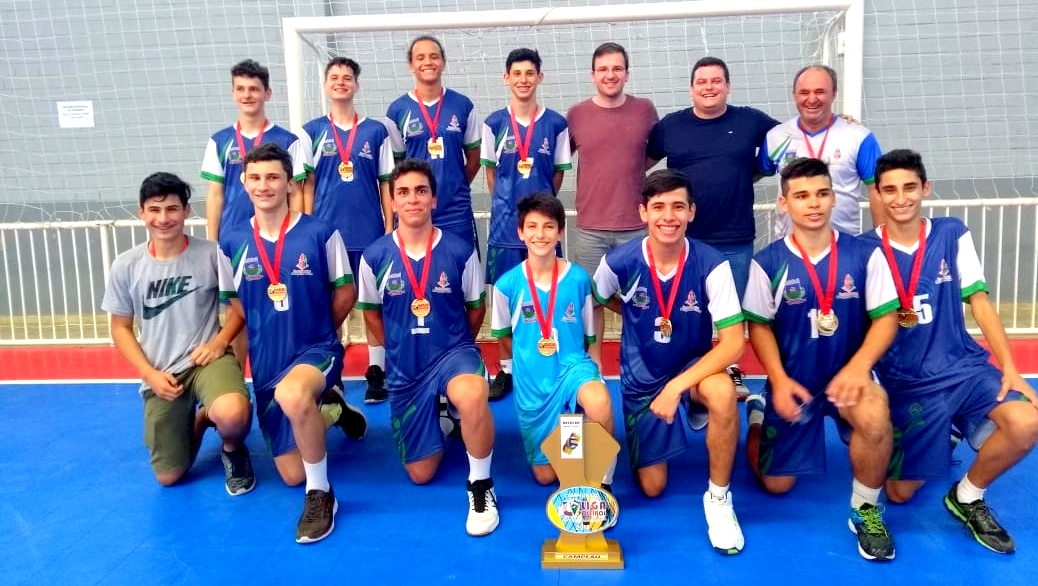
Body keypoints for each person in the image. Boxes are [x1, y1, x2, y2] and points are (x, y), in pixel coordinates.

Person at [861, 149, 1038, 554]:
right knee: (901, 493)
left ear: (926, 188)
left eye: (909, 187)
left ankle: (968, 496)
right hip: (906, 381)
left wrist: (1010, 368)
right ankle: (948, 431)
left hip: (962, 367)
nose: (900, 198)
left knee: (1026, 421)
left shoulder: (951, 233)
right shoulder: (864, 250)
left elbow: (979, 300)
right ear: (878, 196)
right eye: (889, 190)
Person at [742, 157, 899, 561]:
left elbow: (885, 321)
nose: (813, 204)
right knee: (776, 485)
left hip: (849, 376)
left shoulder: (866, 254)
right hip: (796, 382)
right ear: (784, 204)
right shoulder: (768, 262)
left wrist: (858, 368)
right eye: (802, 196)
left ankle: (865, 509)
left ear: (834, 199)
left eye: (822, 193)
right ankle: (758, 417)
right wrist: (777, 379)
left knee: (875, 413)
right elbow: (758, 327)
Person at [219, 143, 367, 544]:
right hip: (268, 361)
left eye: (273, 177)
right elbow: (237, 304)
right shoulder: (230, 243)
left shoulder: (320, 233)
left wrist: (319, 331)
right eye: (255, 178)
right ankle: (333, 408)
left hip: (315, 350)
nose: (264, 185)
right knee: (289, 473)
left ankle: (321, 495)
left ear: (288, 183)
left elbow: (346, 292)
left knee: (295, 394)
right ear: (244, 183)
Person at [592, 169, 745, 554]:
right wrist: (629, 314)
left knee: (723, 393)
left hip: (692, 368)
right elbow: (596, 298)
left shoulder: (712, 263)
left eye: (678, 206)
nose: (668, 216)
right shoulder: (619, 262)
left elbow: (732, 345)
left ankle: (719, 499)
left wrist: (677, 386)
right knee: (652, 487)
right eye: (658, 207)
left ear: (691, 212)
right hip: (643, 375)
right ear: (642, 212)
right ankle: (681, 413)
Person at [356, 158, 500, 536]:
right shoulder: (374, 257)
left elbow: (475, 308)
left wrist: (454, 345)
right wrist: (399, 350)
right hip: (407, 366)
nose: (413, 199)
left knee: (471, 394)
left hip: (453, 353)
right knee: (421, 475)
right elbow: (371, 316)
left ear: (434, 199)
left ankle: (481, 483)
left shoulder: (459, 251)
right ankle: (441, 416)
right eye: (403, 192)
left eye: (421, 191)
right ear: (392, 201)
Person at [101, 172, 255, 495]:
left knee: (233, 414)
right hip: (161, 372)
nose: (163, 218)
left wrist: (219, 342)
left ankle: (231, 449)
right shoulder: (126, 266)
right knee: (169, 477)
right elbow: (120, 328)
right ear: (141, 212)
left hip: (207, 360)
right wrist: (149, 374)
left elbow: (241, 310)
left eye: (172, 209)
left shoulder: (212, 255)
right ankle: (200, 420)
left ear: (186, 211)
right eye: (155, 210)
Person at [646, 56, 779, 395]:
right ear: (691, 89)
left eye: (716, 81)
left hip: (734, 237)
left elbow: (794, 135)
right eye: (702, 82)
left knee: (729, 314)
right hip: (684, 239)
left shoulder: (751, 121)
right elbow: (639, 160)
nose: (709, 87)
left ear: (727, 86)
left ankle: (728, 370)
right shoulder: (671, 127)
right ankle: (688, 371)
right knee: (688, 309)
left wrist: (839, 122)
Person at [490, 193, 616, 486]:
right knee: (547, 477)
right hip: (533, 384)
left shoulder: (579, 279)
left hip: (572, 369)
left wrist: (595, 368)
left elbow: (590, 331)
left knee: (598, 400)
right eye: (532, 226)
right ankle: (574, 431)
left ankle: (602, 482)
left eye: (548, 226)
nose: (540, 234)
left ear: (560, 233)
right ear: (521, 233)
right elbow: (505, 338)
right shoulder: (506, 285)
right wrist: (516, 371)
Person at [300, 56, 395, 405]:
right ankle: (331, 371)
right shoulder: (310, 132)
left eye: (347, 78)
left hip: (368, 231)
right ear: (325, 85)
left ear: (356, 85)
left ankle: (376, 371)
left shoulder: (375, 132)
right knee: (329, 306)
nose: (341, 82)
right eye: (334, 77)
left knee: (373, 304)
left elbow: (386, 184)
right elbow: (305, 185)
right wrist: (305, 230)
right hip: (326, 236)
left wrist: (388, 226)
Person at [481, 47, 572, 401]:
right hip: (507, 229)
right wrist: (509, 205)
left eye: (529, 73)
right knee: (505, 300)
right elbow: (491, 175)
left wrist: (541, 209)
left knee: (551, 297)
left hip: (543, 231)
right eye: (516, 73)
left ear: (539, 77)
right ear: (507, 78)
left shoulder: (556, 124)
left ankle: (550, 362)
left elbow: (558, 176)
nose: (523, 79)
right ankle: (505, 368)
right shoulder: (493, 124)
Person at [566, 42, 659, 366]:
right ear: (592, 75)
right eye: (603, 69)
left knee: (640, 301)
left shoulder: (645, 110)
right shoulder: (576, 114)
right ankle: (592, 369)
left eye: (617, 68)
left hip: (635, 227)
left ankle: (643, 364)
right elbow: (564, 161)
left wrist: (626, 172)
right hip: (590, 228)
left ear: (627, 73)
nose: (610, 75)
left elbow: (650, 155)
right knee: (591, 302)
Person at [761, 65, 883, 236]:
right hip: (789, 249)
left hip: (844, 248)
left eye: (820, 92)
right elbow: (755, 173)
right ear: (794, 95)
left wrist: (883, 243)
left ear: (834, 94)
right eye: (804, 92)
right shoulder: (776, 137)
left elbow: (878, 190)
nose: (811, 99)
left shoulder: (859, 136)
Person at [386, 35, 482, 248]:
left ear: (443, 62)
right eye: (420, 57)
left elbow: (475, 159)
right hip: (415, 210)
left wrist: (454, 185)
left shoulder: (463, 105)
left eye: (433, 56)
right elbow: (397, 168)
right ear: (411, 65)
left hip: (456, 211)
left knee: (462, 272)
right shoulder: (397, 110)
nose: (427, 62)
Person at [200, 59, 309, 242]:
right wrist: (212, 241)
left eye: (254, 89)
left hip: (279, 236)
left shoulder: (288, 141)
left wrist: (295, 234)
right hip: (233, 236)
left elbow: (296, 192)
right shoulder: (219, 141)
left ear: (267, 93)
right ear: (233, 93)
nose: (247, 95)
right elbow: (215, 194)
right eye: (240, 89)